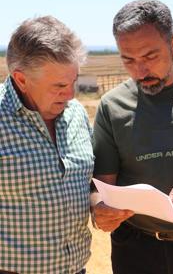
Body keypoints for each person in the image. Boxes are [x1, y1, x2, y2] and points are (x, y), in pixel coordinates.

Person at [91, 0, 173, 274]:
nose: (140, 70)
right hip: (137, 253)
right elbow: (101, 187)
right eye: (128, 59)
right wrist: (100, 210)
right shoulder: (112, 106)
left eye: (150, 57)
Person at [0, 16, 94, 274]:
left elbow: (88, 180)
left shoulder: (77, 114)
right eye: (60, 86)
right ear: (21, 79)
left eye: (74, 82)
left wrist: (99, 202)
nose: (71, 95)